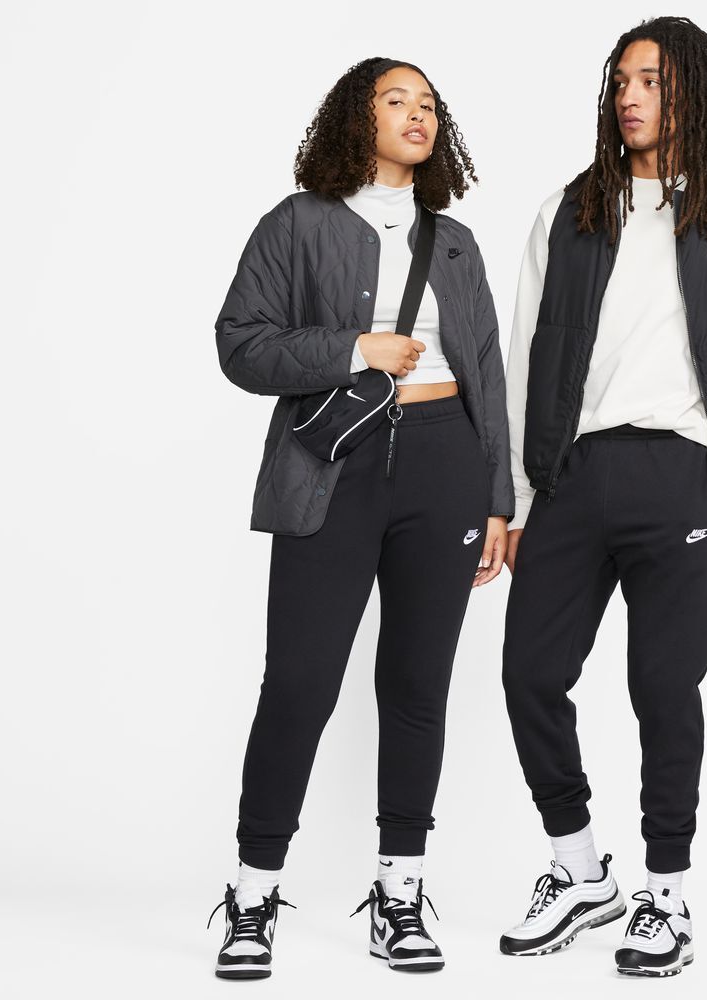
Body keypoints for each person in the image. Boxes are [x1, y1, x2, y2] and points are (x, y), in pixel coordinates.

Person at [498, 16, 707, 977]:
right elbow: (523, 362)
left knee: (663, 690)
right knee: (530, 675)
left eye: (652, 80)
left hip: (679, 479)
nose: (629, 96)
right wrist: (517, 495)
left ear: (691, 93)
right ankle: (582, 872)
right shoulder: (568, 212)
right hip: (572, 477)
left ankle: (666, 893)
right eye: (621, 80)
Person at [207, 56, 512, 979]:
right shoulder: (297, 223)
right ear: (357, 117)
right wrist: (353, 349)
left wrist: (499, 498)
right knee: (299, 683)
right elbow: (240, 344)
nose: (418, 115)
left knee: (418, 687)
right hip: (330, 470)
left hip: (446, 466)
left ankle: (399, 895)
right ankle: (253, 896)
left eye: (429, 105)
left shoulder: (454, 242)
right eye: (396, 100)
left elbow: (489, 371)